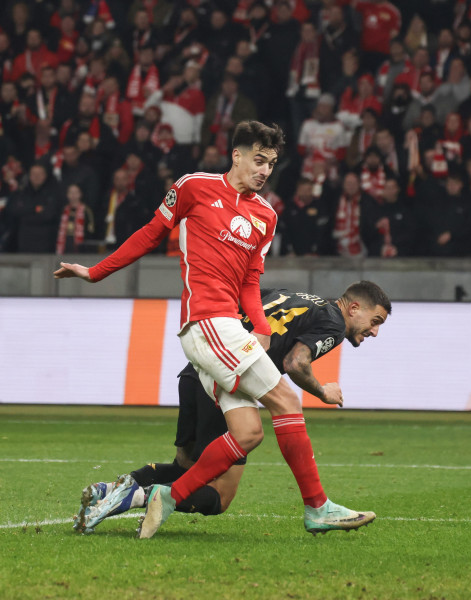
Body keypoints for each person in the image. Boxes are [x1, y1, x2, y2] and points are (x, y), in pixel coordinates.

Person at [53, 121, 370, 540]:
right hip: (206, 323)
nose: (264, 170)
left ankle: (166, 496)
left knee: (248, 432)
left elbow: (250, 281)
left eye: (271, 163)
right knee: (288, 401)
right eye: (258, 160)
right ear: (235, 155)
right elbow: (151, 234)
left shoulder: (266, 216)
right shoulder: (194, 186)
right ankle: (317, 508)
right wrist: (96, 272)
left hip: (228, 330)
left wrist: (259, 327)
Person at [75, 282, 391, 534]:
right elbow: (295, 362)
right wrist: (323, 391)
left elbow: (242, 307)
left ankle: (115, 488)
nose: (374, 331)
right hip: (227, 377)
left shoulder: (292, 296)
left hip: (196, 370)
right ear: (353, 308)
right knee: (221, 493)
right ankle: (139, 496)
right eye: (374, 321)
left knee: (188, 466)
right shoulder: (333, 323)